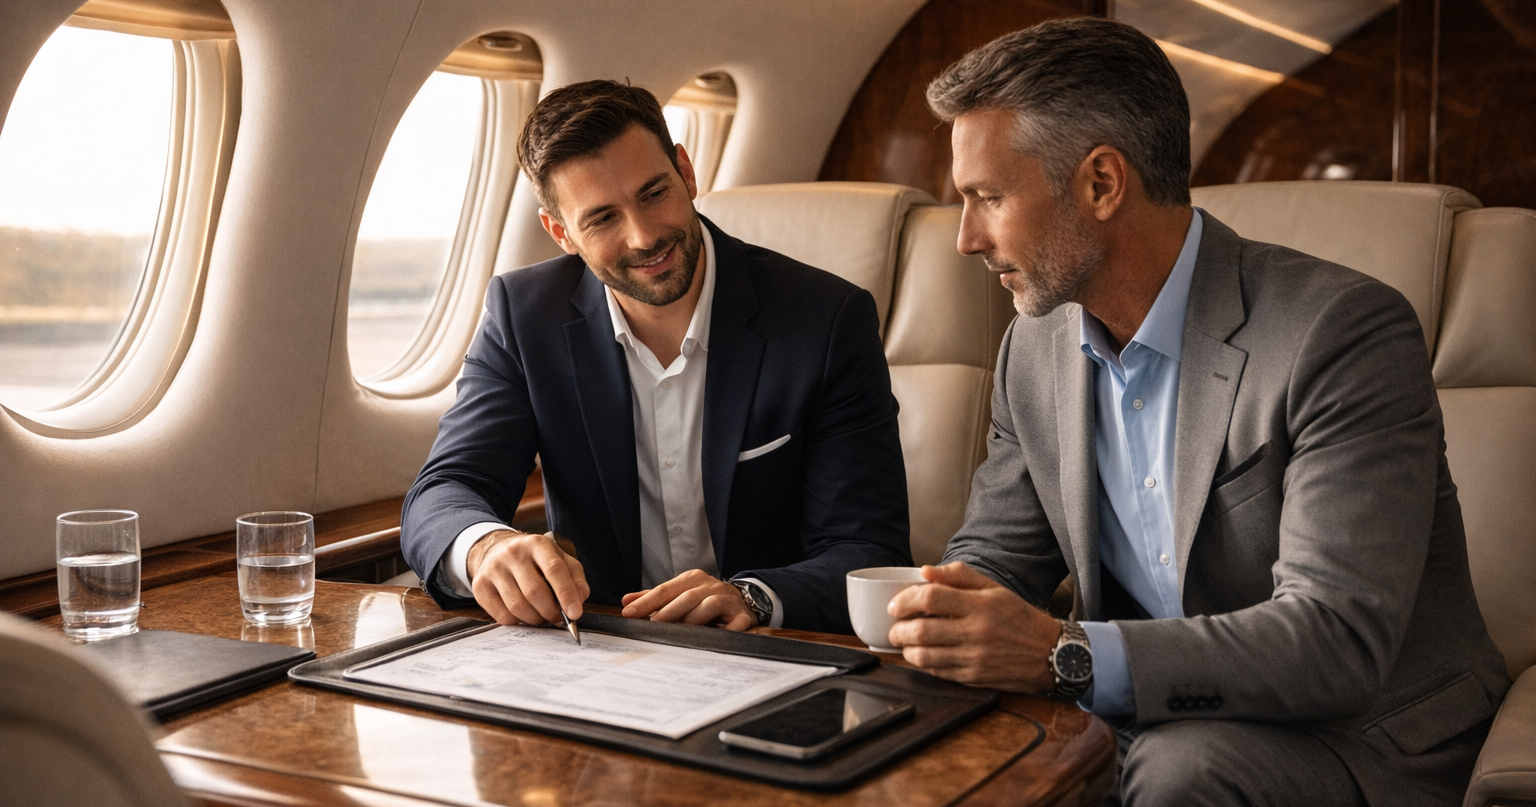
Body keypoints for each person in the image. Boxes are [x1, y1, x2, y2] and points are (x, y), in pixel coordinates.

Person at [886, 18, 1509, 806]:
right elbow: (1000, 560)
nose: (966, 238)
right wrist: (938, 617)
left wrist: (1067, 652)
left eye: (988, 197)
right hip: (1146, 724)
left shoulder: (1342, 332)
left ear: (1102, 184)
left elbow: (1336, 640)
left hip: (1357, 733)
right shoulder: (1032, 351)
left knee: (1177, 773)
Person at [401, 80, 910, 635]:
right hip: (599, 650)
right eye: (602, 219)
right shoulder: (523, 318)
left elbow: (867, 548)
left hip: (770, 650)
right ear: (560, 232)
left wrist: (754, 599)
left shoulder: (826, 319)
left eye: (654, 194)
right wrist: (486, 547)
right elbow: (445, 489)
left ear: (686, 173)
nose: (643, 237)